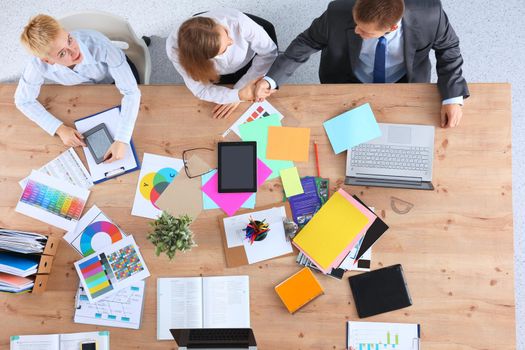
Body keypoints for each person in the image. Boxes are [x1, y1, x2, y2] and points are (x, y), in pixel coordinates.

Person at [255, 0, 469, 128]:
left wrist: (452, 97)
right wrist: (271, 80)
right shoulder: (338, 12)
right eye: (356, 24)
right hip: (346, 81)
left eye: (366, 32)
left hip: (405, 83)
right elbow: (307, 42)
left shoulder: (431, 15)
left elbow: (448, 49)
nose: (356, 31)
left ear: (392, 28)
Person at [15, 14, 141, 162]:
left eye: (69, 40)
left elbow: (131, 92)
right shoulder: (37, 65)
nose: (74, 51)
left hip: (116, 78)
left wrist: (122, 139)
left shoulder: (99, 45)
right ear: (47, 60)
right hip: (90, 91)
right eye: (62, 53)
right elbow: (23, 100)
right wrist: (60, 129)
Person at [166, 8, 278, 119]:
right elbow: (200, 89)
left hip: (251, 63)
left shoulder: (238, 22)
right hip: (213, 73)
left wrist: (239, 91)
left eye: (226, 32)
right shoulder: (176, 52)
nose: (232, 41)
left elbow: (268, 53)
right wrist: (237, 95)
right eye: (224, 49)